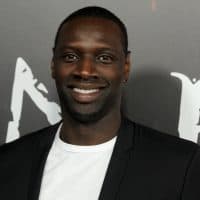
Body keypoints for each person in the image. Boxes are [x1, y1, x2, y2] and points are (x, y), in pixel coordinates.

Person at [0, 6, 200, 200]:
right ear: (53, 65)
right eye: (70, 56)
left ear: (126, 67)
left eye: (104, 58)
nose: (85, 71)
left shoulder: (180, 165)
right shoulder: (9, 161)